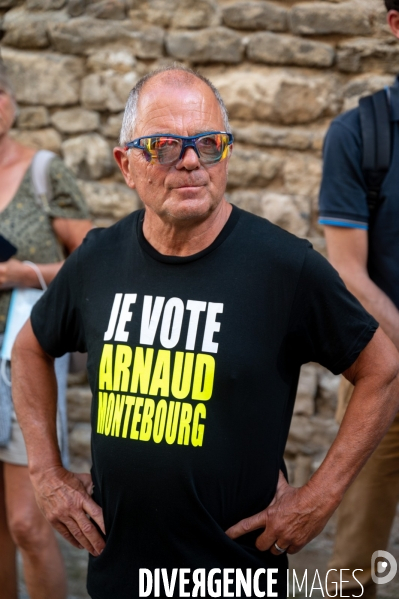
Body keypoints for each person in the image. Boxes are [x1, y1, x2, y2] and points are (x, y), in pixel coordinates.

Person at [11, 65, 399, 599]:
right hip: (118, 577)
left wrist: (319, 498)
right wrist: (47, 473)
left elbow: (382, 369)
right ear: (126, 164)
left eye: (210, 143)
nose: (192, 160)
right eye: (166, 146)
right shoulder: (98, 260)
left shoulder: (284, 267)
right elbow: (29, 347)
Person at [0, 62, 92, 599]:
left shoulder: (43, 170)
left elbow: (91, 260)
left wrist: (19, 273)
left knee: (26, 525)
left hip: (20, 360)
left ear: (12, 101)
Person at [318, 4, 399, 598]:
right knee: (354, 568)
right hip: (384, 372)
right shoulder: (361, 134)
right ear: (396, 26)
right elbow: (348, 273)